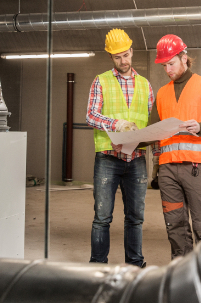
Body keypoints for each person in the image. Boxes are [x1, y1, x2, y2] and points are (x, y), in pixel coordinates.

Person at [153, 34, 201, 259]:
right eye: (164, 65)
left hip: (196, 168)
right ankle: (181, 275)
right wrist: (128, 139)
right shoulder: (162, 93)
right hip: (167, 171)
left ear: (184, 58)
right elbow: (152, 130)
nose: (168, 69)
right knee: (175, 227)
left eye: (171, 63)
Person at [85, 28, 153, 267]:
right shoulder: (101, 81)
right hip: (108, 159)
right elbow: (91, 116)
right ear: (110, 58)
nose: (123, 61)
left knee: (135, 218)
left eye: (126, 55)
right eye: (117, 57)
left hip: (136, 159)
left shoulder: (145, 85)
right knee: (102, 217)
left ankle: (135, 264)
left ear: (132, 52)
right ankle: (97, 265)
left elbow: (152, 122)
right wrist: (116, 124)